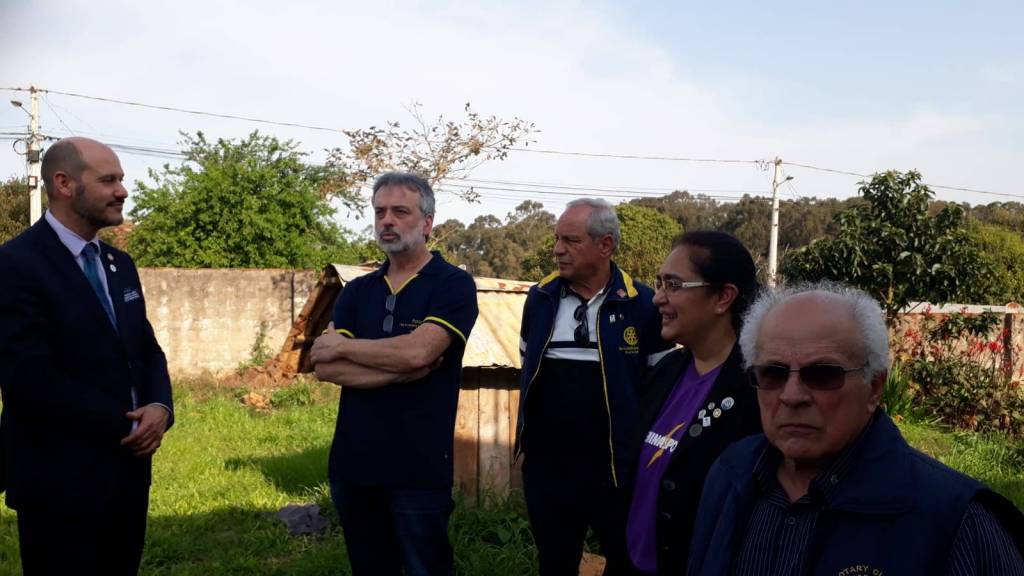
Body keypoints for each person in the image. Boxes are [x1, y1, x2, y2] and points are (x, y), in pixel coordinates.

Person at [688, 282, 1024, 576]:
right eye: (772, 374)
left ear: (874, 387)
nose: (792, 396)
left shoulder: (957, 521)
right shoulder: (730, 474)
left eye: (822, 375)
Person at [0, 137, 174, 575]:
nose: (122, 191)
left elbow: (146, 348)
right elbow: (28, 378)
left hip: (128, 474)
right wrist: (128, 423)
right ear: (64, 184)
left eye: (121, 180)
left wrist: (160, 407)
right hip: (58, 481)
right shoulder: (15, 265)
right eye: (108, 180)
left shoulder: (119, 264)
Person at [310, 172, 478, 576]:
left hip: (418, 467)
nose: (387, 220)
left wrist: (345, 347)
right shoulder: (358, 290)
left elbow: (420, 352)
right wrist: (400, 370)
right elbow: (325, 366)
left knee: (425, 568)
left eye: (400, 212)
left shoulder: (452, 285)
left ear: (427, 222)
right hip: (354, 465)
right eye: (380, 211)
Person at [515, 198, 674, 575]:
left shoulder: (643, 305)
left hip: (618, 471)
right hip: (549, 472)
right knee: (555, 564)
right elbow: (527, 367)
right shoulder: (539, 299)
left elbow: (661, 392)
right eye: (557, 239)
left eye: (571, 240)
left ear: (605, 246)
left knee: (626, 562)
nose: (558, 249)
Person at [624, 231, 762, 575]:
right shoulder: (666, 371)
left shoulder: (758, 390)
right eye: (659, 283)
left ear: (723, 297)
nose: (658, 298)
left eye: (673, 285)